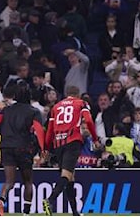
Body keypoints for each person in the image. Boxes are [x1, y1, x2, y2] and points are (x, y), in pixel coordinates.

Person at [0, 85, 45, 216]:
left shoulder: (5, 110)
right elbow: (39, 130)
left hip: (6, 147)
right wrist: (43, 148)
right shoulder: (34, 111)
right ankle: (26, 213)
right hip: (24, 148)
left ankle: (1, 199)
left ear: (15, 96)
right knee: (28, 181)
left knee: (9, 181)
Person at [43, 85, 100, 216]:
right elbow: (89, 121)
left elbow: (50, 130)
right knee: (67, 175)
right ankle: (50, 200)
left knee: (70, 177)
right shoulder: (81, 103)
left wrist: (46, 148)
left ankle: (75, 212)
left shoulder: (56, 107)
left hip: (58, 143)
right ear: (78, 95)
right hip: (72, 141)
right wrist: (95, 138)